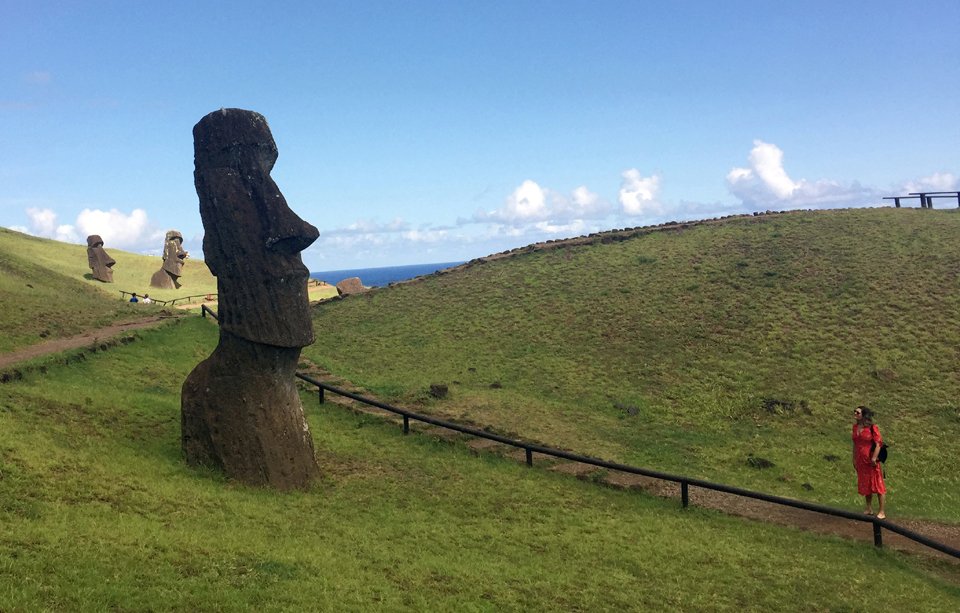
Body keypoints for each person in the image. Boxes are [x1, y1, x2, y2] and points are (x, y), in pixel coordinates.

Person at [852, 406, 886, 518]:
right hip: (860, 460)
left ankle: (881, 511)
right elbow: (855, 444)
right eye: (855, 412)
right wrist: (854, 458)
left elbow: (878, 444)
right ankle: (869, 507)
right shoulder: (855, 427)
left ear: (863, 415)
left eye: (857, 412)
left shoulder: (872, 428)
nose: (855, 414)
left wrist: (874, 458)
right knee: (865, 483)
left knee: (878, 484)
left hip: (871, 460)